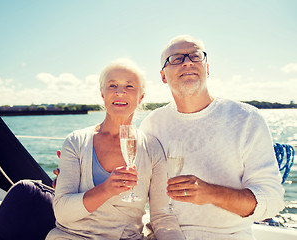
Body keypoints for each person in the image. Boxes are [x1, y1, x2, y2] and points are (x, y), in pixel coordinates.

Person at [139, 35, 285, 239]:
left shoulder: (246, 119)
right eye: (176, 59)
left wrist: (211, 193)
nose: (188, 62)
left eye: (195, 56)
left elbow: (272, 201)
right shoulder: (152, 124)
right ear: (163, 76)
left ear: (207, 68)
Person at [46, 59, 184, 239]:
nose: (120, 92)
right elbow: (63, 213)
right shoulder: (76, 141)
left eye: (129, 86)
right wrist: (106, 189)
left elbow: (162, 216)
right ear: (102, 94)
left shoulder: (151, 148)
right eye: (112, 85)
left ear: (140, 97)